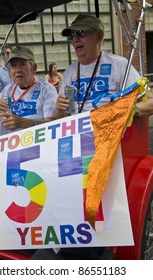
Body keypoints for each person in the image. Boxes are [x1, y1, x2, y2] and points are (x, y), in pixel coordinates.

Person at [31, 14, 153, 260]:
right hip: (75, 142)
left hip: (111, 142)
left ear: (99, 35)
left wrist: (122, 112)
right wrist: (59, 107)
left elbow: (149, 102)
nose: (75, 39)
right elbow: (58, 117)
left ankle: (97, 237)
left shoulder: (120, 65)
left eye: (81, 33)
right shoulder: (69, 72)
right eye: (72, 36)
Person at [0, 46, 57, 244]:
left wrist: (23, 123)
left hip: (33, 143)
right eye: (13, 66)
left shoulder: (46, 90)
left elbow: (52, 124)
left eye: (23, 64)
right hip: (4, 142)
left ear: (34, 67)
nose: (17, 70)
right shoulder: (7, 90)